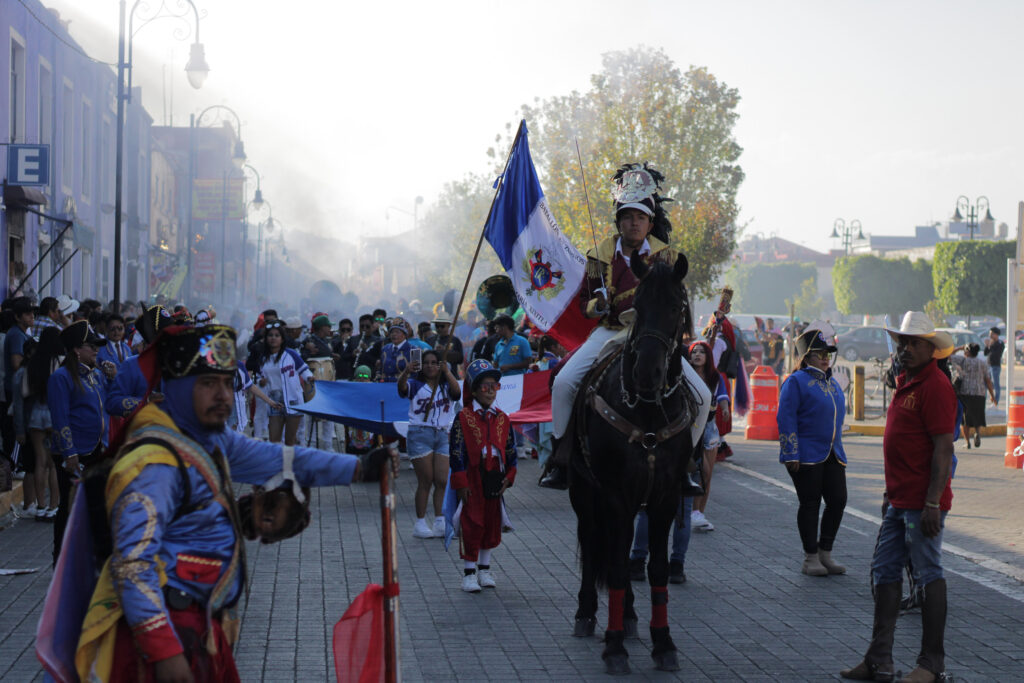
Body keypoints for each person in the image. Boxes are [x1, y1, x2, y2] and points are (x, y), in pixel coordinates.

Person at [70, 323, 396, 682]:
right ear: (177, 388)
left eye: (227, 383)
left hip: (201, 629)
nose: (223, 395)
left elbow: (286, 458)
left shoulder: (212, 440)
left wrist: (359, 467)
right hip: (163, 642)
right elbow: (133, 565)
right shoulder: (154, 464)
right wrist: (164, 651)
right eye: (208, 383)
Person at [544, 162, 709, 489]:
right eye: (628, 217)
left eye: (640, 218)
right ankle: (560, 457)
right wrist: (599, 304)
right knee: (563, 383)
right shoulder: (598, 253)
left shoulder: (668, 256)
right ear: (619, 220)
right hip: (609, 331)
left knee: (702, 397)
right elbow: (586, 304)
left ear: (650, 222)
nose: (634, 224)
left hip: (654, 336)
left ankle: (686, 461)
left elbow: (679, 306)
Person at [841, 311, 954, 683]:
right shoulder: (907, 381)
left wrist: (933, 503)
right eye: (902, 342)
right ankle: (879, 661)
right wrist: (891, 493)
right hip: (900, 500)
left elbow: (942, 449)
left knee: (927, 575)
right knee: (884, 571)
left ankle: (931, 665)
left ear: (930, 349)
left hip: (923, 504)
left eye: (912, 343)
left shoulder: (935, 387)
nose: (904, 349)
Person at [777, 328, 848, 577]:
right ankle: (810, 557)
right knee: (810, 503)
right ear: (806, 357)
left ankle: (825, 552)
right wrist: (790, 452)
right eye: (818, 353)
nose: (825, 357)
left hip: (832, 453)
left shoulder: (832, 381)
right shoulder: (795, 381)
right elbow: (785, 417)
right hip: (806, 454)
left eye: (827, 353)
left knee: (838, 500)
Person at [48, 320, 115, 562]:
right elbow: (60, 417)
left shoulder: (95, 375)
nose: (96, 350)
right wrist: (69, 453)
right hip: (74, 452)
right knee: (69, 508)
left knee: (97, 506)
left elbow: (108, 406)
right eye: (91, 346)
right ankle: (61, 560)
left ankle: (90, 558)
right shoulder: (61, 377)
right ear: (77, 349)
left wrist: (112, 378)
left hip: (97, 449)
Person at [449, 359, 517, 592]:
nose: (490, 392)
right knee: (472, 522)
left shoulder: (502, 417)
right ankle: (469, 573)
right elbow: (456, 451)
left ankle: (485, 569)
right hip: (472, 476)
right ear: (475, 390)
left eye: (494, 386)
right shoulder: (464, 417)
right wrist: (460, 481)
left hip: (494, 476)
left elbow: (510, 449)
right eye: (485, 387)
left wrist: (510, 474)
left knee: (491, 521)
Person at [398, 349, 461, 539]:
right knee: (426, 480)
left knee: (442, 480)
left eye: (435, 363)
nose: (430, 366)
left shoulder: (445, 386)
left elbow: (457, 393)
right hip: (419, 433)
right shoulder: (415, 385)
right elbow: (401, 390)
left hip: (442, 434)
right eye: (427, 363)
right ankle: (420, 523)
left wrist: (448, 372)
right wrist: (406, 372)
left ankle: (440, 521)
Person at [688, 341, 729, 532]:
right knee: (687, 470)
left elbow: (722, 396)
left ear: (708, 356)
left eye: (701, 352)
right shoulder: (684, 376)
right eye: (694, 352)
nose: (697, 355)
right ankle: (684, 510)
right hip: (687, 427)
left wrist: (725, 409)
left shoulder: (715, 377)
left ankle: (698, 513)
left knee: (706, 473)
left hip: (710, 428)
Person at [257, 320, 313, 446]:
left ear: (282, 339)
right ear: (266, 339)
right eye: (270, 335)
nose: (273, 338)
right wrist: (261, 381)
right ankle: (277, 465)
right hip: (274, 401)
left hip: (293, 400)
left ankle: (290, 464)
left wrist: (310, 379)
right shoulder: (263, 358)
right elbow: (260, 379)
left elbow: (305, 371)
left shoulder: (291, 354)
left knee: (290, 441)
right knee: (274, 441)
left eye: (277, 335)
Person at [949, 342, 995, 449]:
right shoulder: (982, 363)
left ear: (967, 351)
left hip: (965, 393)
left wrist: (959, 347)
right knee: (977, 416)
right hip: (980, 394)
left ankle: (967, 442)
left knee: (965, 419)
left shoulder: (963, 360)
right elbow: (988, 380)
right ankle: (977, 433)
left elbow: (948, 356)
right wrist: (992, 395)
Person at [982, 327, 1004, 405]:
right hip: (988, 366)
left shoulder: (1000, 343)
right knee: (985, 383)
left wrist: (990, 346)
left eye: (991, 334)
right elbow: (985, 353)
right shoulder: (991, 343)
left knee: (995, 384)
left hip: (995, 366)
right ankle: (984, 401)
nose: (990, 335)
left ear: (996, 334)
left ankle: (996, 401)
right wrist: (987, 345)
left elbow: (997, 354)